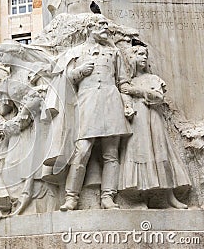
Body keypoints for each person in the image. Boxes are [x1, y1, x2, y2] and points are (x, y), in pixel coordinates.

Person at [59, 14, 132, 211]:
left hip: (111, 101)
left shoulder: (114, 53)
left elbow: (123, 82)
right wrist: (80, 70)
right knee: (82, 150)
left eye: (106, 25)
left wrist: (127, 104)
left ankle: (108, 197)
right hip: (87, 102)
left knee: (111, 153)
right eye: (101, 25)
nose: (105, 28)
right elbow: (65, 80)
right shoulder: (76, 52)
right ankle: (71, 197)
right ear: (89, 28)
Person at [119, 45, 191, 208]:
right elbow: (124, 97)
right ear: (131, 58)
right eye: (140, 54)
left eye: (145, 55)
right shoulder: (127, 81)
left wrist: (135, 90)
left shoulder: (153, 79)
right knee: (141, 153)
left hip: (154, 118)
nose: (144, 58)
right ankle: (143, 196)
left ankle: (170, 196)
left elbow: (158, 96)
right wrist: (130, 99)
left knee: (161, 151)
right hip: (137, 119)